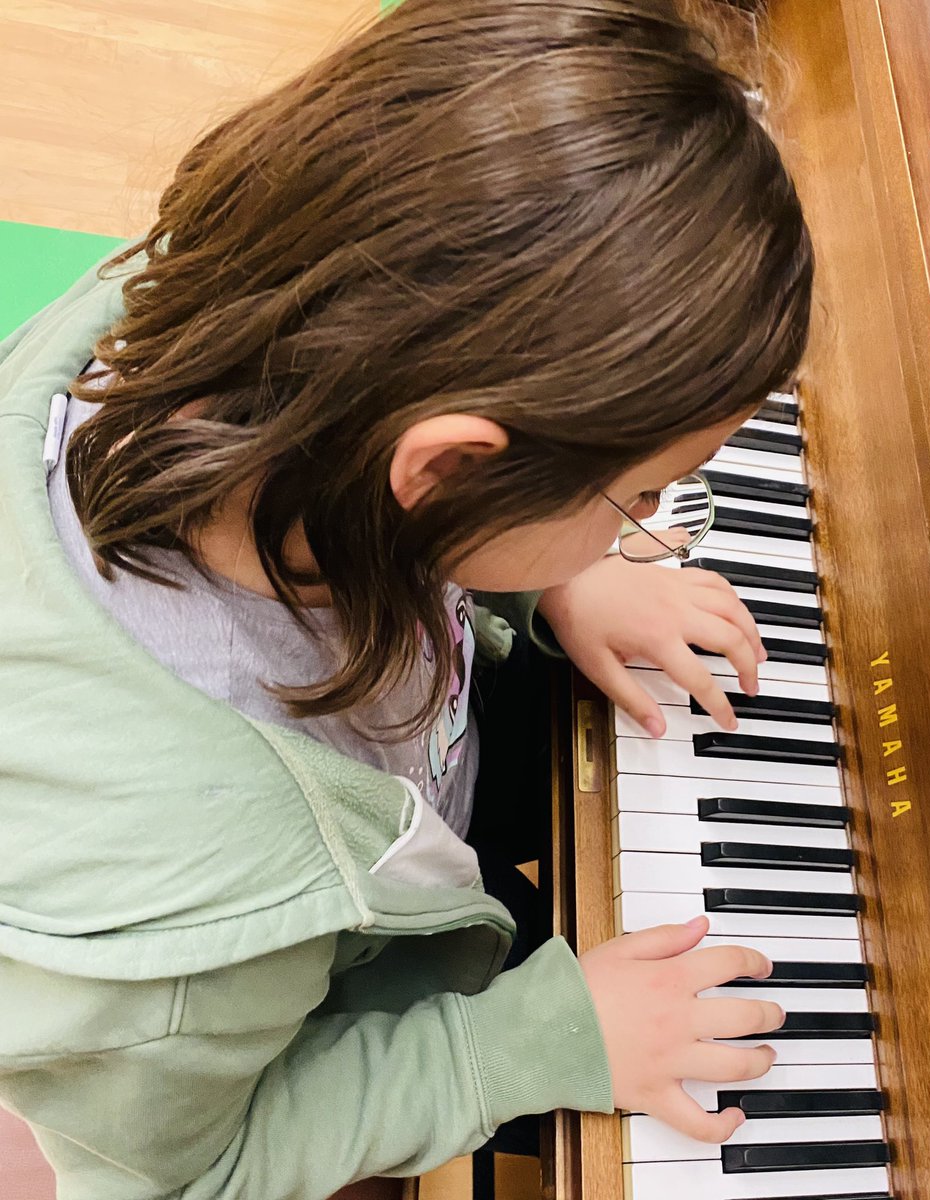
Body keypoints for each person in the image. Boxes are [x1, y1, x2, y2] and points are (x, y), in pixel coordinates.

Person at [0, 0, 814, 1196]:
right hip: (281, 954)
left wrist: (555, 575)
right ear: (444, 470)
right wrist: (513, 1046)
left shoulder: (266, 337)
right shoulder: (184, 921)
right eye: (637, 494)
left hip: (388, 805)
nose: (642, 528)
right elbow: (184, 1173)